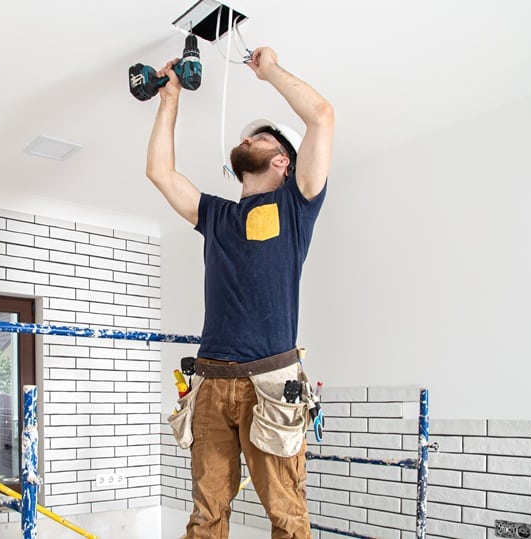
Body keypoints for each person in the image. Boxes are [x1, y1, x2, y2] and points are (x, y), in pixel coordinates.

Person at [146, 46, 334, 539]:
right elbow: (160, 174)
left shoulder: (298, 206)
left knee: (288, 519)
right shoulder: (218, 217)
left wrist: (269, 71)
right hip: (210, 383)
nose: (247, 136)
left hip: (270, 384)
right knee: (206, 518)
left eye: (262, 136)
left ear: (281, 161)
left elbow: (321, 115)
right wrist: (170, 102)